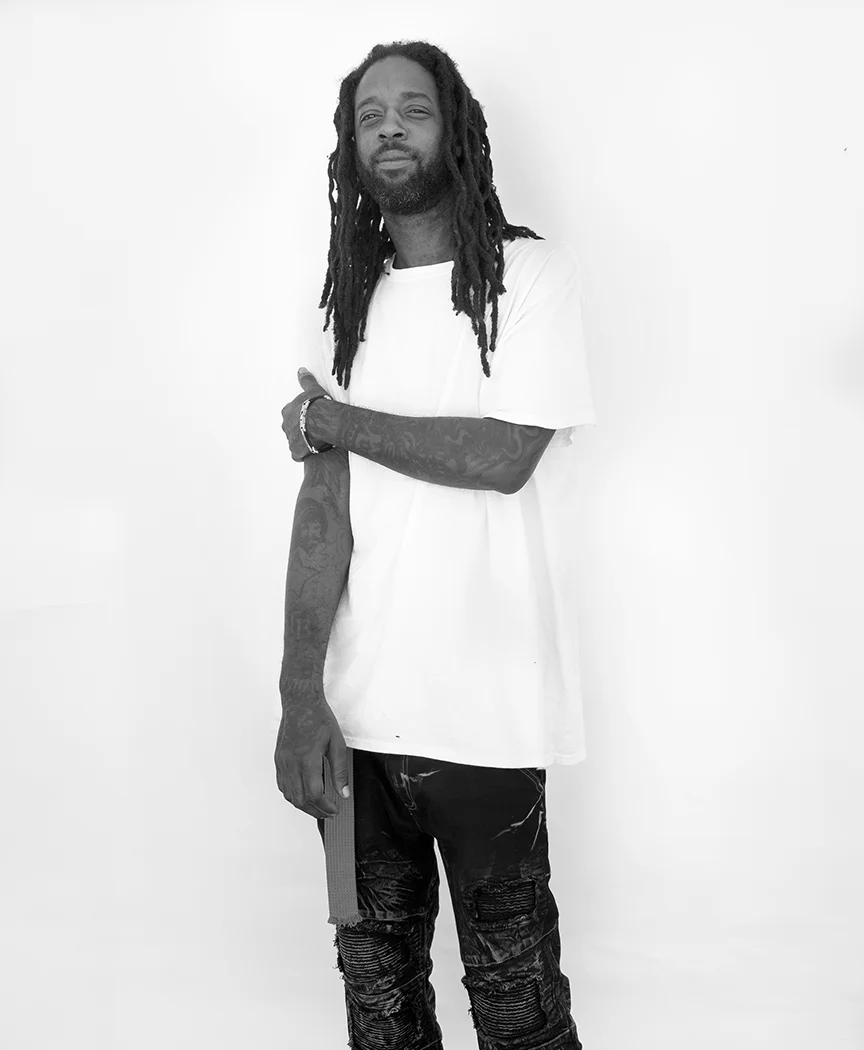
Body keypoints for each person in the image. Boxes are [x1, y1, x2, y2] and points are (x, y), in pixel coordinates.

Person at [275, 39, 595, 1050]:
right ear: (349, 146)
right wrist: (298, 695)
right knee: (377, 1004)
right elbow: (323, 510)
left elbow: (504, 456)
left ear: (454, 130)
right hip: (357, 722)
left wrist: (336, 421)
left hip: (488, 718)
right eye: (369, 116)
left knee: (517, 1005)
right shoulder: (345, 305)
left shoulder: (529, 277)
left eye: (412, 110)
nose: (389, 130)